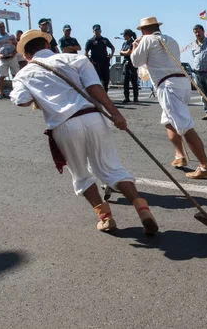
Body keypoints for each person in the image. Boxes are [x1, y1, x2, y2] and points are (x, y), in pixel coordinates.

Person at [10, 29, 158, 234]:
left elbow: (21, 101)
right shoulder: (74, 59)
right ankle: (142, 208)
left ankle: (106, 218)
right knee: (113, 169)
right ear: (47, 46)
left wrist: (40, 93)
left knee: (81, 174)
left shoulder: (23, 74)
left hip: (64, 125)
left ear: (26, 55)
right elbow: (95, 89)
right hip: (93, 116)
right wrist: (116, 115)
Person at [131, 16, 207, 179]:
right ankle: (180, 155)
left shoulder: (147, 40)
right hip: (181, 82)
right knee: (168, 120)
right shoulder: (171, 40)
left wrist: (136, 47)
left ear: (143, 30)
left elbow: (136, 61)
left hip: (167, 85)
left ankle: (205, 166)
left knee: (184, 125)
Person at [0, 21, 20, 99]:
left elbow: (17, 45)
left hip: (12, 57)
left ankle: (17, 92)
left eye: (3, 26)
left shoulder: (11, 36)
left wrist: (14, 53)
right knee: (1, 76)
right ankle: (1, 93)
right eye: (0, 27)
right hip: (3, 58)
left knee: (15, 74)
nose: (2, 28)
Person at [85, 24, 115, 93]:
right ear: (93, 31)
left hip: (105, 62)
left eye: (98, 30)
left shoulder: (105, 40)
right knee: (98, 80)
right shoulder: (90, 41)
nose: (97, 32)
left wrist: (111, 55)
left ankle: (105, 94)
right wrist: (90, 61)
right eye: (96, 30)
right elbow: (86, 52)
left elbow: (112, 48)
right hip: (95, 63)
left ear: (101, 31)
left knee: (106, 80)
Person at [120, 29, 139, 103]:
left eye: (124, 35)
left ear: (128, 35)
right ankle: (126, 97)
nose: (123, 36)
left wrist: (124, 52)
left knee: (134, 81)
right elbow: (121, 52)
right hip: (126, 63)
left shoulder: (133, 43)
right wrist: (124, 52)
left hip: (132, 63)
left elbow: (129, 52)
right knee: (126, 81)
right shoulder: (125, 43)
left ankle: (135, 97)